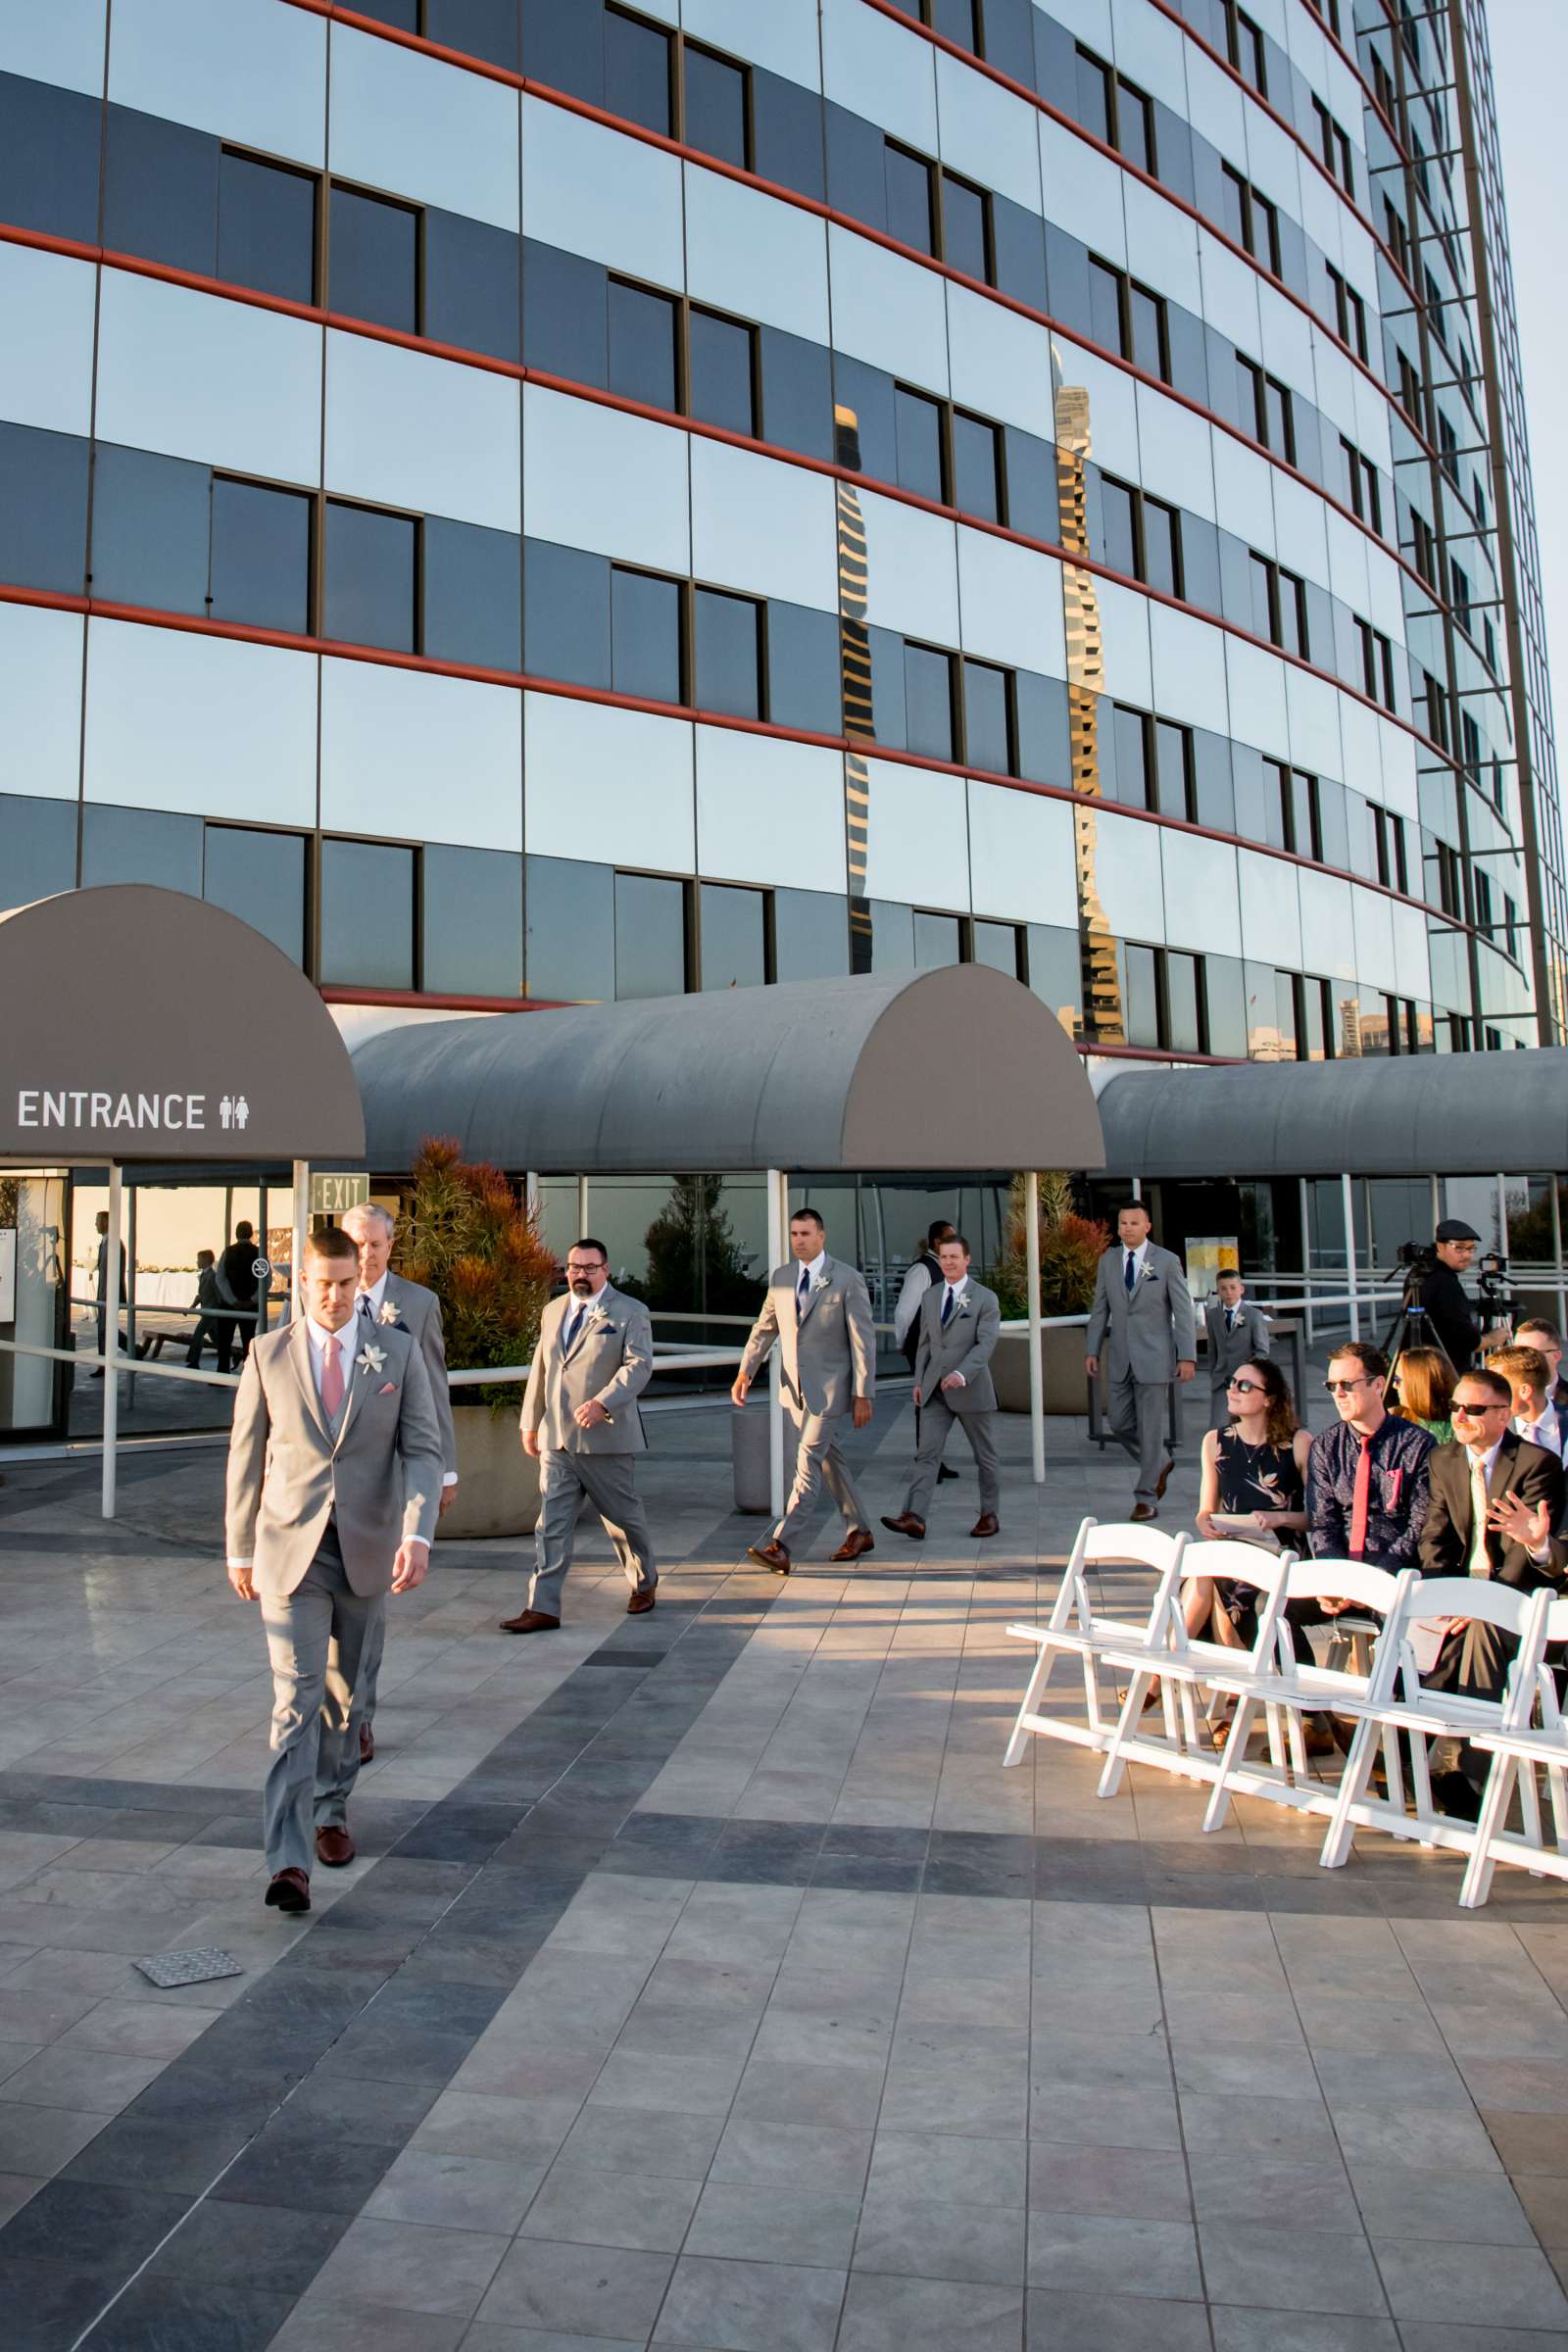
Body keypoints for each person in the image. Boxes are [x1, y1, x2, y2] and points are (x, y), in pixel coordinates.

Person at [224, 1226, 441, 1912]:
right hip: (290, 1553)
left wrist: (418, 1532)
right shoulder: (267, 1355)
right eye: (323, 1284)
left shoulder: (396, 1353)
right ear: (300, 1281)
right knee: (297, 1701)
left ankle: (332, 1809)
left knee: (346, 1701)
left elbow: (425, 1451)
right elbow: (244, 1455)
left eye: (347, 1284)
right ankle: (287, 1863)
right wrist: (239, 1547)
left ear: (361, 1279)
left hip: (368, 1548)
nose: (336, 1297)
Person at [1418, 1364, 1565, 1816]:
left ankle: (1472, 1775)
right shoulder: (1444, 1459)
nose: (1460, 1416)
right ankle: (1403, 1753)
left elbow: (1523, 1560)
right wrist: (1445, 1596)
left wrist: (1478, 1602)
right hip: (1464, 1592)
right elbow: (1435, 1539)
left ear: (1505, 1414)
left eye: (1474, 1409)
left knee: (1481, 1628)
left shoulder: (1536, 1463)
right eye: (1456, 1406)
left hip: (1518, 1601)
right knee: (1409, 1625)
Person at [343, 1202, 459, 1759]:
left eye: (375, 1245)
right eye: (356, 1243)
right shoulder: (314, 1297)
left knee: (368, 1604)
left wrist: (445, 1471)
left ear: (391, 1247)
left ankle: (357, 1716)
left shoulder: (417, 1304)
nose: (365, 1255)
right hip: (328, 1481)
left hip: (387, 1480)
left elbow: (434, 1392)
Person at [501, 1238, 657, 1633]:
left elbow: (638, 1367)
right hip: (557, 1440)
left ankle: (644, 1582)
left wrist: (604, 1402)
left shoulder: (629, 1312)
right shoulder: (553, 1310)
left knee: (622, 1518)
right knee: (550, 1524)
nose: (580, 1275)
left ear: (605, 1269)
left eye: (589, 1267)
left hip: (606, 1438)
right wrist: (529, 1421)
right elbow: (541, 1368)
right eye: (574, 1267)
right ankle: (543, 1607)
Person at [731, 1207, 876, 1574]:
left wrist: (863, 1393)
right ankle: (859, 1530)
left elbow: (863, 1342)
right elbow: (765, 1327)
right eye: (794, 1234)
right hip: (794, 1391)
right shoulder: (781, 1278)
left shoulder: (847, 1279)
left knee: (807, 1461)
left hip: (830, 1391)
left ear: (821, 1236)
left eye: (805, 1234)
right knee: (830, 1459)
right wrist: (746, 1370)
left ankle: (783, 1544)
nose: (799, 1240)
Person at [1296, 1340, 1433, 1663]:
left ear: (1378, 1385)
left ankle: (1396, 1704)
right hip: (1342, 1572)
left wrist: (1372, 1580)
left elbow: (1418, 1527)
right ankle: (1312, 1709)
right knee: (1270, 1612)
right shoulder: (1325, 1446)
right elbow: (1322, 1522)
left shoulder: (1417, 1444)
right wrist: (1336, 1577)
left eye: (1347, 1384)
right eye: (1331, 1385)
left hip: (1393, 1572)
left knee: (1402, 1643)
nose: (1338, 1393)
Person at [881, 1234, 1002, 1542]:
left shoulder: (985, 1298)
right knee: (926, 1453)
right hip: (935, 1390)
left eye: (954, 1257)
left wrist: (962, 1373)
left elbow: (985, 1345)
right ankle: (914, 1517)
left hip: (970, 1389)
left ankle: (989, 1515)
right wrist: (919, 1381)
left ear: (967, 1260)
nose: (948, 1262)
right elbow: (923, 1344)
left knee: (984, 1456)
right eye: (944, 1257)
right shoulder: (931, 1296)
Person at [1084, 1200, 1196, 1522]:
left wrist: (1186, 1355)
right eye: (1122, 1223)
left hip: (1155, 1358)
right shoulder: (1108, 1261)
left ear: (1147, 1227)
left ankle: (1146, 1496)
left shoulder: (1167, 1261)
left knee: (1150, 1428)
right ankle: (1159, 1461)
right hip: (1120, 1357)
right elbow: (1100, 1308)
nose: (1127, 1229)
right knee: (1118, 1422)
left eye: (1134, 1223)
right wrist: (1092, 1349)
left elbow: (1182, 1311)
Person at [894, 1219, 960, 1485]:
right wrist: (903, 1342)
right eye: (950, 1237)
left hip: (939, 1347)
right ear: (936, 1242)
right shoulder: (923, 1270)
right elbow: (904, 1311)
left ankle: (933, 1460)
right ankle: (927, 1462)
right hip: (924, 1347)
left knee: (937, 1403)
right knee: (928, 1402)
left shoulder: (942, 1269)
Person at [1202, 1268, 1271, 1432]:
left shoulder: (1253, 1315)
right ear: (1218, 1291)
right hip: (1221, 1380)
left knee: (1244, 1426)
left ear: (1241, 1289)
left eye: (1233, 1287)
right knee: (1218, 1428)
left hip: (1245, 1382)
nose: (1229, 1292)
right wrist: (1214, 1373)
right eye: (1223, 1288)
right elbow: (1213, 1348)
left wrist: (1250, 1374)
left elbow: (1262, 1350)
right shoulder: (1213, 1315)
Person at [1417, 1219, 1483, 1370]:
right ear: (1440, 1246)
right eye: (1459, 1248)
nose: (1466, 1255)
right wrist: (1493, 1339)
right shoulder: (1445, 1281)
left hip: (1420, 1367)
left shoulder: (1419, 1274)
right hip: (1447, 1371)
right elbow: (1467, 1338)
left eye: (1471, 1249)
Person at [1486, 1343, 1562, 1458]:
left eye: (1498, 1387)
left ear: (1525, 1391)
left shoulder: (1563, 1423)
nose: (1490, 1394)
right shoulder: (1490, 1431)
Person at [1515, 1319, 1568, 1454]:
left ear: (1556, 1356)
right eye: (1516, 1354)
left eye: (1533, 1355)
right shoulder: (1501, 1402)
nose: (1523, 1362)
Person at [218, 1219, 264, 1366]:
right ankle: (249, 1374)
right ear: (251, 1234)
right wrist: (252, 1299)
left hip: (228, 1305)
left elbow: (220, 1278)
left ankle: (222, 1373)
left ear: (236, 1234)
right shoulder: (259, 1253)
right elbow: (265, 1279)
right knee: (248, 1341)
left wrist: (232, 1300)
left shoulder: (227, 1252)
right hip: (250, 1305)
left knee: (224, 1341)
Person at [1395, 1345, 1456, 1444]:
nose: (1394, 1385)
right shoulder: (1395, 1418)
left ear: (1418, 1383)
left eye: (1397, 1380)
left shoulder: (1461, 1424)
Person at [91, 1209, 126, 1376]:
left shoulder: (114, 1243)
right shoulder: (104, 1242)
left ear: (106, 1222)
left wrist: (111, 1294)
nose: (96, 1224)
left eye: (98, 1220)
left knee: (106, 1329)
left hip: (109, 1295)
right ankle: (103, 1363)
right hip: (103, 1294)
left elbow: (115, 1272)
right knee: (103, 1329)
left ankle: (107, 1362)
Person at [185, 1250, 226, 1371]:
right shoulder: (204, 1275)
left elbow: (219, 1295)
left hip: (211, 1313)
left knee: (198, 1335)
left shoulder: (212, 1276)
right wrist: (192, 1307)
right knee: (218, 1340)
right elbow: (201, 1295)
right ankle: (235, 1354)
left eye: (199, 1259)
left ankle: (193, 1362)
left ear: (206, 1260)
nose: (197, 1262)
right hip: (206, 1312)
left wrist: (220, 1312)